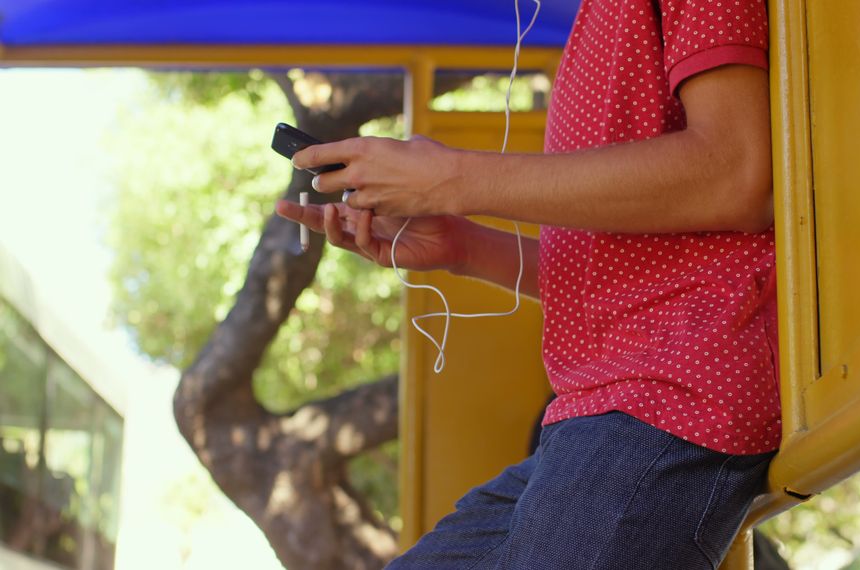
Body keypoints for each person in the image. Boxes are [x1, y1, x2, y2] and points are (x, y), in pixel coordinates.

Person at [277, 0, 780, 567]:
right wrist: (463, 247)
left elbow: (737, 171)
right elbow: (639, 270)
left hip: (677, 391)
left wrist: (451, 178)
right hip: (594, 411)